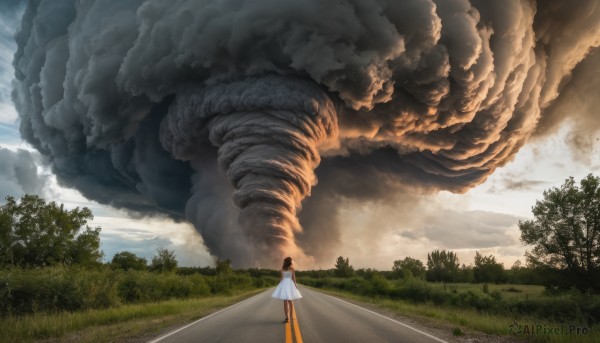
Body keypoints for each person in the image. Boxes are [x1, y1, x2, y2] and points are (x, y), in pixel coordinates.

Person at [271, 256, 302, 323]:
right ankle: (291, 317)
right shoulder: (292, 268)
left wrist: (279, 285)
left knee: (285, 301)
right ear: (290, 262)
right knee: (290, 301)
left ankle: (286, 317)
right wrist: (295, 285)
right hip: (290, 284)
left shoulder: (282, 268)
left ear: (285, 262)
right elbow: (294, 278)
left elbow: (281, 278)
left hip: (284, 284)